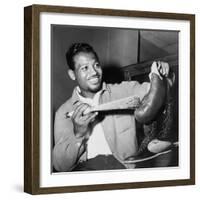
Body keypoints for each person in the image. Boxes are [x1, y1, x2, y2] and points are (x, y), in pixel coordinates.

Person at [53, 43, 172, 172]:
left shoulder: (124, 90)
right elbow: (60, 167)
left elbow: (159, 91)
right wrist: (79, 134)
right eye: (85, 68)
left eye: (96, 65)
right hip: (87, 175)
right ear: (72, 74)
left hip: (125, 171)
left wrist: (161, 74)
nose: (94, 72)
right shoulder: (63, 112)